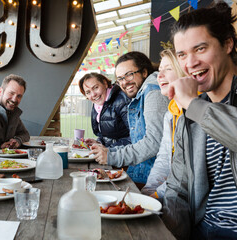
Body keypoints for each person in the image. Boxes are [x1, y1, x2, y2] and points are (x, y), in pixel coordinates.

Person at [162, 2, 237, 239]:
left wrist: (192, 104)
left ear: (227, 44)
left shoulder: (193, 107)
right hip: (203, 230)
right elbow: (178, 188)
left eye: (200, 49)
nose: (190, 63)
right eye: (182, 54)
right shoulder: (191, 114)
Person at [91, 51, 169, 187]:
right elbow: (138, 140)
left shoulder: (153, 93)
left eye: (129, 75)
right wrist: (108, 150)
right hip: (140, 173)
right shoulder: (143, 92)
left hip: (152, 180)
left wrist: (111, 156)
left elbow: (153, 143)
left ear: (144, 72)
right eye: (120, 78)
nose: (124, 82)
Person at [141, 48, 186, 199]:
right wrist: (148, 192)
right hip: (171, 195)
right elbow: (164, 158)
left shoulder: (198, 111)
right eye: (160, 70)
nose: (159, 76)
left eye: (168, 69)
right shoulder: (171, 113)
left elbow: (185, 172)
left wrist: (156, 195)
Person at [78, 72, 131, 148]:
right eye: (88, 92)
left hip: (124, 156)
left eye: (96, 88)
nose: (93, 94)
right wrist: (99, 142)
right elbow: (107, 136)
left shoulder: (122, 100)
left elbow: (135, 136)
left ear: (105, 84)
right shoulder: (98, 105)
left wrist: (108, 150)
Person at [0, 74, 30, 150]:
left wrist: (17, 141)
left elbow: (25, 134)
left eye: (19, 96)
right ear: (0, 91)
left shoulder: (14, 113)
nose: (14, 99)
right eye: (11, 93)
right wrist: (0, 148)